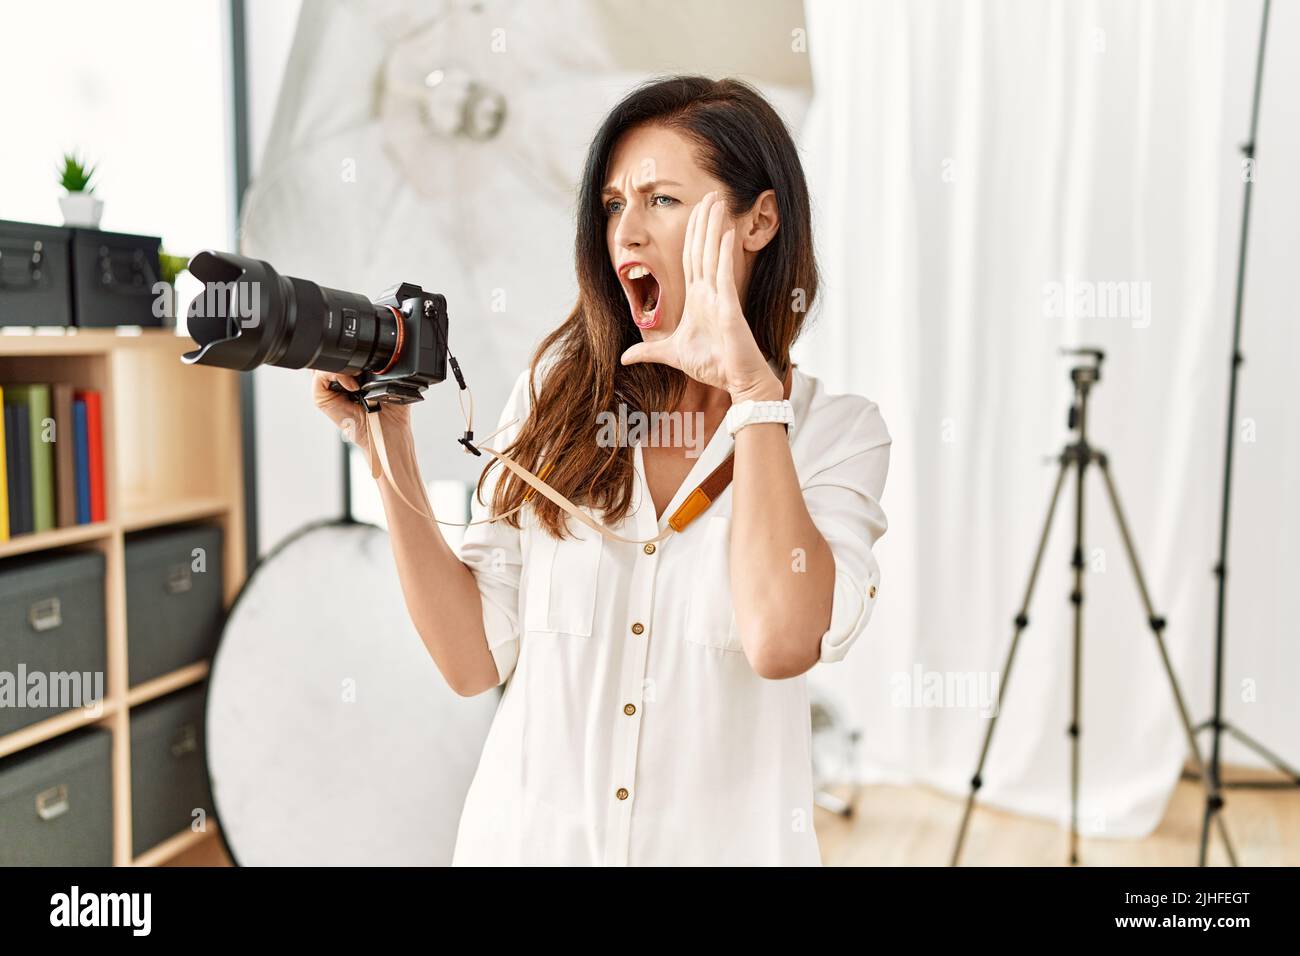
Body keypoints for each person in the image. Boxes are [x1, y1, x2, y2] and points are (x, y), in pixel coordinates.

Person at [312, 75, 891, 866]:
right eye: (614, 204)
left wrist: (754, 395)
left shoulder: (837, 434)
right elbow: (471, 657)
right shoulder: (553, 405)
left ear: (759, 221)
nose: (627, 233)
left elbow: (781, 641)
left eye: (662, 200)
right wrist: (390, 449)